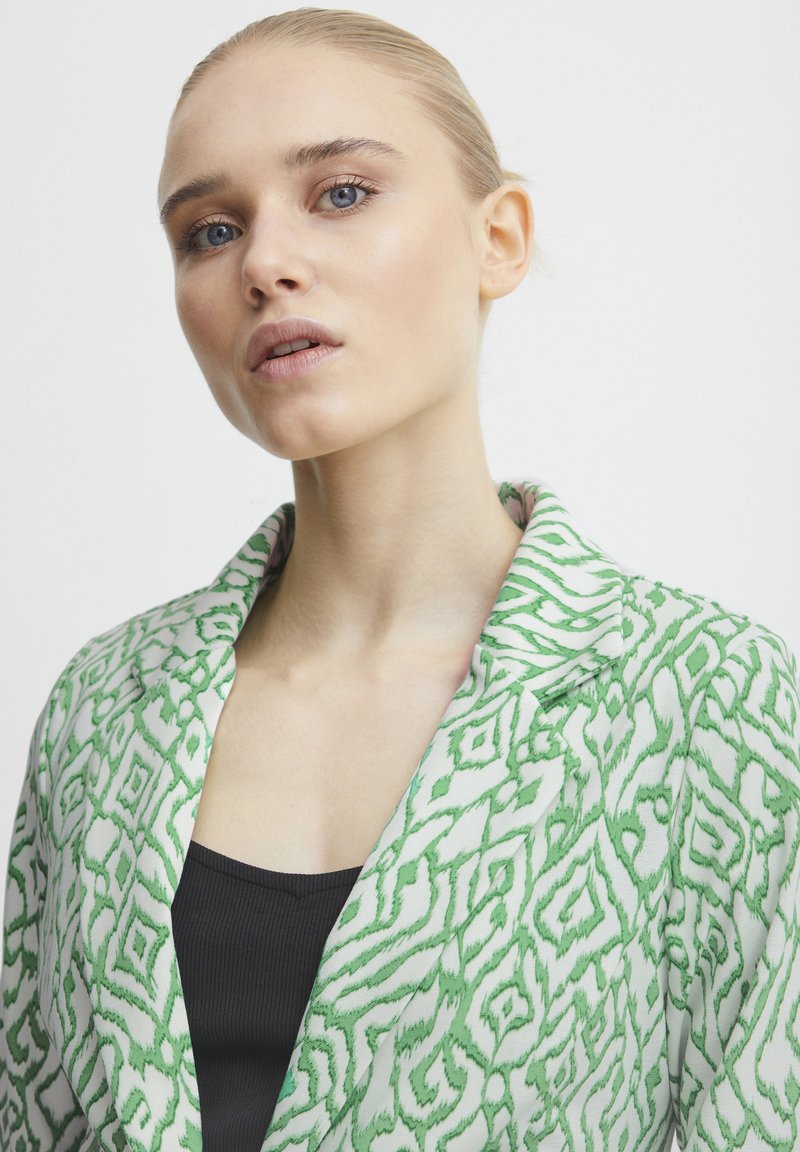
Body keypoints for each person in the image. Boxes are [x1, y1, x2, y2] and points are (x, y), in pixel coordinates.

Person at [1, 7, 798, 1152]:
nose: (264, 264)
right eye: (210, 230)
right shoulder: (103, 710)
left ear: (498, 237)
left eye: (339, 193)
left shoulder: (707, 702)